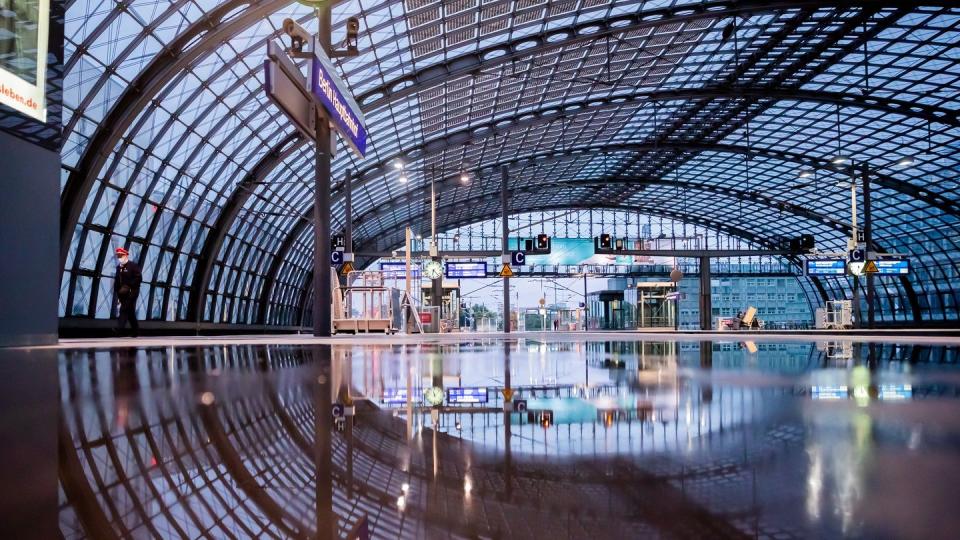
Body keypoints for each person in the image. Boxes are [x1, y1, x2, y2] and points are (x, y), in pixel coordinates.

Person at [113, 247, 141, 337]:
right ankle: (135, 331)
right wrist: (117, 291)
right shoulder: (118, 268)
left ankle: (119, 329)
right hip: (122, 293)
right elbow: (117, 280)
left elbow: (138, 278)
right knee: (130, 312)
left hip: (132, 292)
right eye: (118, 256)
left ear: (126, 255)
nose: (119, 257)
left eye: (121, 255)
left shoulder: (133, 266)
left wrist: (129, 285)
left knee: (124, 309)